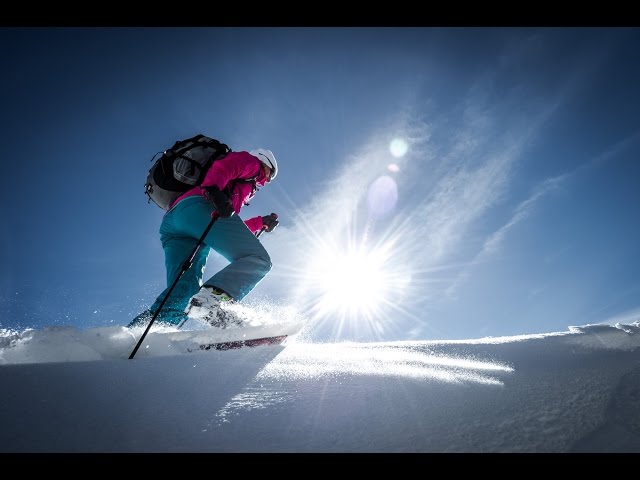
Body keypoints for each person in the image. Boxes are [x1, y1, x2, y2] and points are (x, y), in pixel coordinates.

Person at [128, 147, 280, 329]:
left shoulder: (238, 186)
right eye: (271, 174)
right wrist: (213, 189)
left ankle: (137, 336)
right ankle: (212, 300)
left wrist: (260, 222)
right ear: (266, 162)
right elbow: (226, 166)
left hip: (176, 220)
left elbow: (228, 231)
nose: (268, 180)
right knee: (259, 260)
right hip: (201, 207)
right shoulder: (252, 164)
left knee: (183, 291)